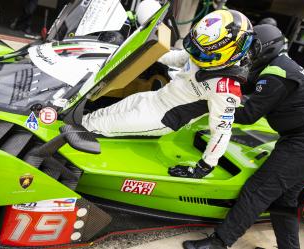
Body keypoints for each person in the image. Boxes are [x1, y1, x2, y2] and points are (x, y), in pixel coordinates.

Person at [182, 24, 304, 249]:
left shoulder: (277, 75)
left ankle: (219, 243)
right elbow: (244, 85)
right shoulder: (277, 65)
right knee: (283, 200)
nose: (245, 54)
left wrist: (215, 107)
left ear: (265, 50)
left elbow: (248, 114)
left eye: (250, 50)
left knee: (258, 189)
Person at [83, 9, 254, 178]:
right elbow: (173, 57)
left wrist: (204, 167)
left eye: (203, 53)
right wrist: (144, 45)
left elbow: (222, 132)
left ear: (229, 53)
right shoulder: (203, 50)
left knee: (97, 126)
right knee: (91, 118)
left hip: (160, 118)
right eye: (195, 48)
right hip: (152, 98)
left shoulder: (226, 89)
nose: (195, 55)